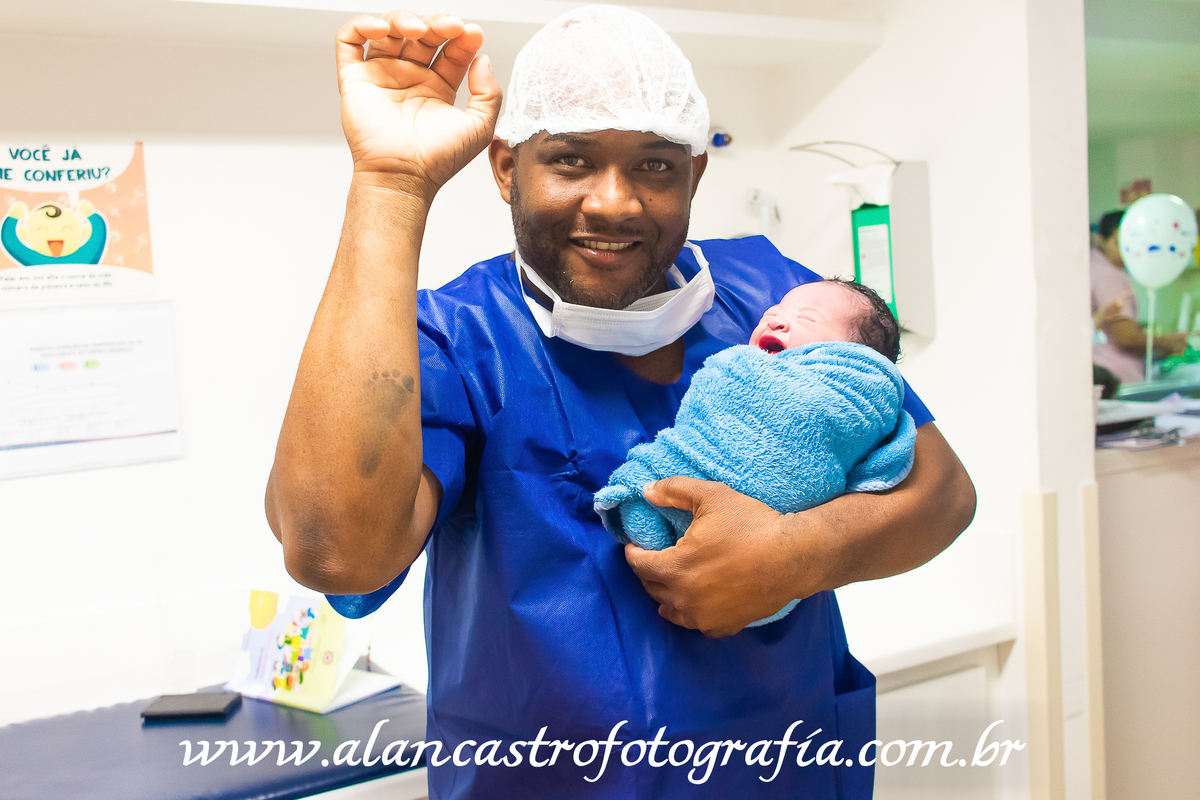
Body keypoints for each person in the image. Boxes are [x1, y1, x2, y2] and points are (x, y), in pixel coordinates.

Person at [265, 5, 976, 797]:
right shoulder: (456, 340)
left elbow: (943, 491)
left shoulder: (775, 297)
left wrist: (795, 556)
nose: (614, 202)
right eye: (570, 159)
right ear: (506, 168)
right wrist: (391, 185)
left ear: (694, 174)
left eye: (654, 165)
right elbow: (337, 553)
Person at [595, 279, 913, 554]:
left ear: (853, 356)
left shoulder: (856, 394)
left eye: (807, 318)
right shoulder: (747, 371)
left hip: (778, 536)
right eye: (771, 314)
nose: (775, 322)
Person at [1092, 209, 1187, 384]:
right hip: (1116, 374)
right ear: (1101, 240)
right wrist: (1170, 343)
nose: (1126, 251)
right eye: (1119, 244)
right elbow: (1125, 339)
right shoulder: (1109, 276)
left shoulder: (1094, 267)